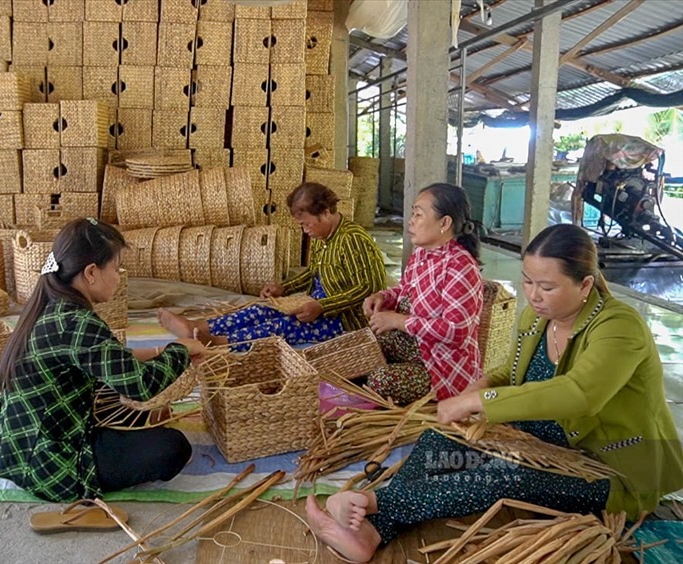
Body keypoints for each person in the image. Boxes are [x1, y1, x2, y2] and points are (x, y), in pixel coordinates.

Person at [308, 223, 683, 562]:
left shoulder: (619, 327)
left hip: (606, 468)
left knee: (502, 475)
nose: (534, 296)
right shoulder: (537, 317)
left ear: (585, 285)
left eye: (547, 287)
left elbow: (581, 393)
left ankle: (373, 505)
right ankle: (374, 531)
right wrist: (483, 384)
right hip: (539, 437)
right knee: (442, 439)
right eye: (528, 282)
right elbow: (512, 369)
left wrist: (478, 401)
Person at [0, 218, 206, 502]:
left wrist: (160, 351)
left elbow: (112, 358)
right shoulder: (75, 322)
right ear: (91, 272)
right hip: (50, 461)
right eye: (116, 269)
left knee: (147, 413)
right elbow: (141, 386)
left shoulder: (51, 304)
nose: (119, 277)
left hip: (26, 445)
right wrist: (179, 350)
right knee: (173, 447)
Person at [158, 182, 386, 349]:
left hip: (345, 319)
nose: (305, 230)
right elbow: (313, 273)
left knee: (284, 324)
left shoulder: (354, 238)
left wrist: (323, 306)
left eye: (306, 224)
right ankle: (198, 326)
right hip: (317, 304)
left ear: (325, 213)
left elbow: (369, 288)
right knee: (263, 308)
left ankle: (220, 342)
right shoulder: (322, 236)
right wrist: (284, 288)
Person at [361, 183, 483, 404]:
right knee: (362, 347)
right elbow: (406, 290)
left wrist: (399, 321)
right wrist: (383, 297)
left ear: (444, 223)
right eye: (413, 213)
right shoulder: (421, 254)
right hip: (418, 346)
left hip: (443, 367)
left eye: (418, 214)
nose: (411, 220)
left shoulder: (459, 266)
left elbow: (456, 331)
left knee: (380, 380)